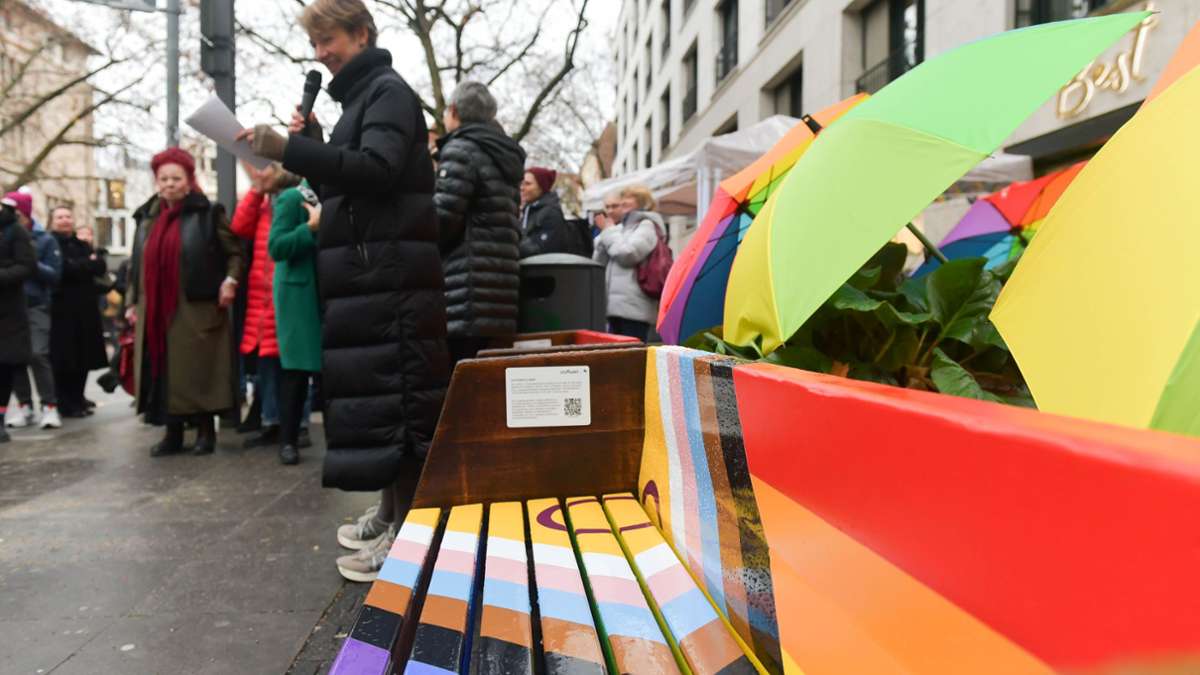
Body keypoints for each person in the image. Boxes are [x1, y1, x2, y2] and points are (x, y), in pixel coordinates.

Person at [240, 0, 450, 583]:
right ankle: (391, 515)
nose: (320, 54)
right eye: (316, 45)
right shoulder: (362, 98)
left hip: (391, 277)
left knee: (402, 408)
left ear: (361, 34)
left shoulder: (387, 91)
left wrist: (291, 150)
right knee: (383, 404)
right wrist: (310, 152)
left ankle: (409, 536)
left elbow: (377, 171)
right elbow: (348, 179)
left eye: (327, 40)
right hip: (373, 274)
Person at [128, 147, 244, 457]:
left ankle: (206, 433)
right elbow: (135, 262)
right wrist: (131, 302)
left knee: (199, 371)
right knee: (165, 371)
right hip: (155, 309)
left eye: (175, 178)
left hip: (196, 307)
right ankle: (173, 434)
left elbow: (234, 252)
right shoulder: (146, 217)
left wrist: (230, 281)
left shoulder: (208, 213)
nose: (169, 184)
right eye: (163, 178)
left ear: (189, 180)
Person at [433, 80, 526, 364]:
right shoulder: (501, 153)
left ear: (453, 111)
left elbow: (442, 219)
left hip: (466, 292)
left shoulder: (461, 148)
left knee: (460, 388)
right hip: (499, 293)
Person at [230, 162, 301, 450]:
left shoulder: (295, 198)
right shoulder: (262, 205)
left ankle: (298, 423)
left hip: (286, 293)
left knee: (292, 363)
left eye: (267, 170)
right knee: (266, 363)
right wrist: (256, 191)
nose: (261, 174)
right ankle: (271, 420)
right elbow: (239, 226)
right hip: (261, 298)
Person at [269, 179, 322, 466]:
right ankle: (287, 441)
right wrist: (309, 228)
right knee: (296, 371)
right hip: (298, 294)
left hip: (328, 292)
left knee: (331, 374)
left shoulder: (337, 194)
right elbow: (276, 246)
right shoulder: (293, 198)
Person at [4, 191, 61, 430]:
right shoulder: (4, 235)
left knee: (38, 355)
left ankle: (49, 407)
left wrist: (29, 260)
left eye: (17, 213)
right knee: (13, 358)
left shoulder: (45, 239)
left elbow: (54, 275)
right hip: (10, 308)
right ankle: (24, 405)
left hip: (36, 305)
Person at [47, 207, 107, 418]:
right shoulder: (50, 243)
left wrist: (83, 265)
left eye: (68, 216)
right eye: (60, 217)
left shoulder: (81, 244)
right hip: (62, 310)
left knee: (84, 355)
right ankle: (66, 402)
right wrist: (86, 265)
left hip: (86, 308)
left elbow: (99, 265)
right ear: (52, 221)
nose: (65, 220)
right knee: (65, 357)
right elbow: (63, 270)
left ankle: (78, 397)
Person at [593, 185, 666, 341]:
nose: (623, 201)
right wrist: (606, 235)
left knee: (631, 358)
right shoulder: (624, 227)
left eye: (628, 198)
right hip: (615, 307)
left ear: (641, 203)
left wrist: (608, 232)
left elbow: (627, 254)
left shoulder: (647, 225)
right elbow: (599, 263)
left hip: (634, 309)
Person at [0, 197, 37, 443]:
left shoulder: (15, 230)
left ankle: (0, 419)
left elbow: (27, 266)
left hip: (8, 312)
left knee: (4, 367)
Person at [518, 167, 573, 258]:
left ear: (541, 187)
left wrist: (511, 241)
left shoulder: (551, 214)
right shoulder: (528, 210)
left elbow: (540, 250)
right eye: (522, 183)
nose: (522, 188)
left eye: (528, 184)